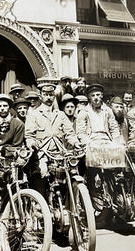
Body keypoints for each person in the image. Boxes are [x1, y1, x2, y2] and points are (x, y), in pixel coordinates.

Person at [75, 84, 123, 228]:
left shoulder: (107, 111)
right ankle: (94, 206)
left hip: (106, 142)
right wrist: (88, 143)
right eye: (93, 95)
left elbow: (114, 129)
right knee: (93, 177)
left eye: (98, 95)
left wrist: (117, 142)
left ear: (102, 96)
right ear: (89, 97)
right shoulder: (83, 112)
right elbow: (81, 132)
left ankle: (115, 202)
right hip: (92, 143)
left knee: (112, 174)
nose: (96, 98)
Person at [25, 81, 80, 197]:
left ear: (54, 96)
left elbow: (69, 133)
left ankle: (66, 208)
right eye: (46, 94)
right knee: (41, 178)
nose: (48, 97)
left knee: (69, 178)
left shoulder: (60, 114)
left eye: (51, 95)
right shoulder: (33, 114)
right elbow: (29, 136)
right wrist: (32, 144)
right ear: (41, 96)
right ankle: (40, 209)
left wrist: (76, 143)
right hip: (41, 154)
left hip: (59, 154)